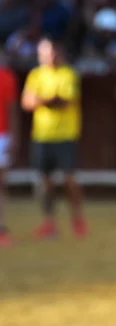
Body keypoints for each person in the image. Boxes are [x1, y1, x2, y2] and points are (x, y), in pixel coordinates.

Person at [21, 35, 87, 239]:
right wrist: (50, 99)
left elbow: (66, 101)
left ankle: (77, 218)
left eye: (53, 52)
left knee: (69, 180)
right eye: (46, 52)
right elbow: (27, 102)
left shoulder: (69, 73)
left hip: (66, 135)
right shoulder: (35, 74)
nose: (50, 56)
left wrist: (40, 99)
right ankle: (50, 222)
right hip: (42, 135)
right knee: (45, 181)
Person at [0, 54, 19, 246]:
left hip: (1, 136)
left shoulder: (6, 76)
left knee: (0, 183)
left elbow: (12, 109)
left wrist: (13, 137)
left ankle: (1, 226)